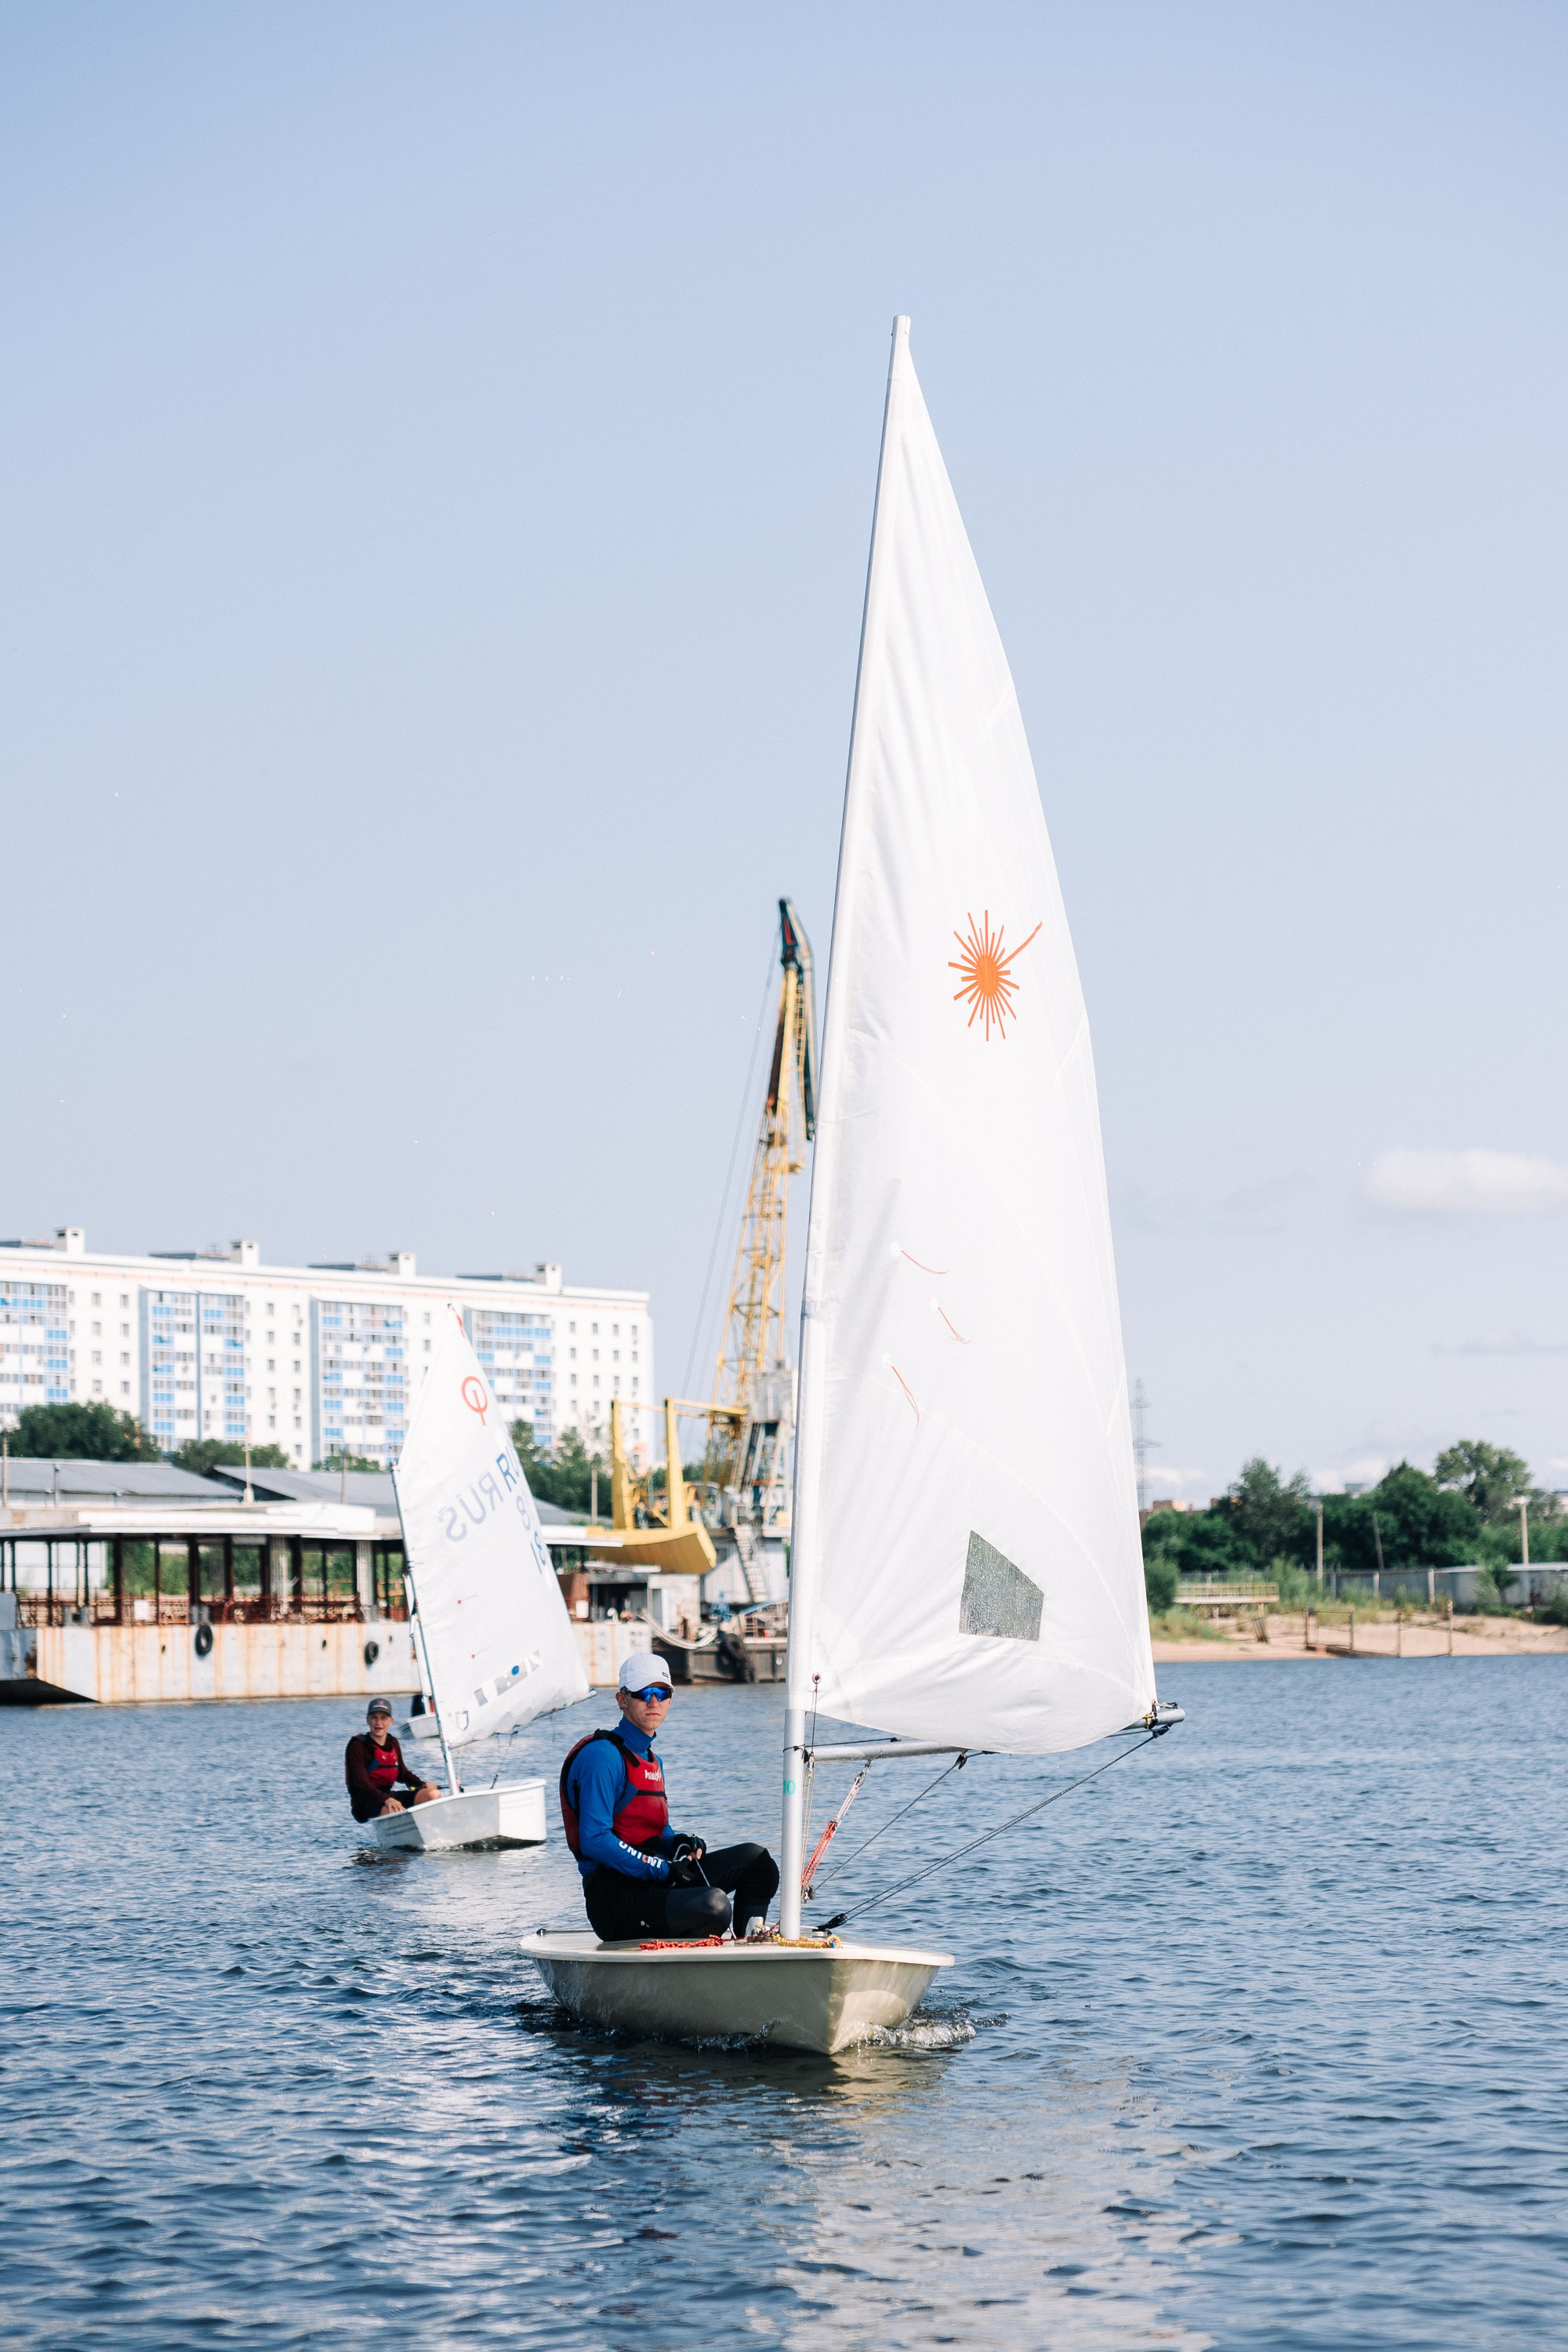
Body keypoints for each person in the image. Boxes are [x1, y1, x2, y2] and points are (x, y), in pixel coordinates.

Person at [559, 1650, 779, 1943]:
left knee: (759, 1863)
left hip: (656, 1882)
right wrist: (663, 1870)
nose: (654, 1701)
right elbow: (595, 1840)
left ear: (670, 1700)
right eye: (643, 1693)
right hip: (615, 1900)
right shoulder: (602, 1756)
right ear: (622, 1700)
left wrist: (678, 1841)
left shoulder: (653, 1761)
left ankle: (751, 1946)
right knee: (714, 1906)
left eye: (662, 1693)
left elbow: (657, 1830)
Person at [345, 1698, 441, 1822]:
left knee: (434, 1794)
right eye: (374, 1717)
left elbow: (402, 1774)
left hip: (388, 1796)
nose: (378, 1723)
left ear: (391, 1721)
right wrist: (386, 1800)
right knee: (396, 1811)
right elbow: (361, 1783)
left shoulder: (393, 1742)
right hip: (365, 1802)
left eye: (383, 1718)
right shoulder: (358, 1745)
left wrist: (422, 1784)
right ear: (368, 1720)